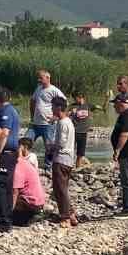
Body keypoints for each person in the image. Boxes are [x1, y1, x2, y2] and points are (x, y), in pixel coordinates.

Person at [0, 86, 22, 230]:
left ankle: (3, 221)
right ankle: (7, 220)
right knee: (6, 186)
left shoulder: (5, 112)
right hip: (11, 154)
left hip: (5, 154)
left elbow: (4, 133)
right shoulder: (13, 110)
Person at [50, 98, 78, 228]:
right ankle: (70, 214)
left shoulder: (62, 122)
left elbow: (61, 143)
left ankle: (65, 216)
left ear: (59, 108)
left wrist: (50, 147)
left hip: (61, 159)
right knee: (63, 188)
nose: (51, 109)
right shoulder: (68, 122)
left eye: (53, 107)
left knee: (59, 189)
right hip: (68, 159)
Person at [29, 70, 67, 157]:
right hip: (35, 123)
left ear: (48, 78)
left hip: (48, 124)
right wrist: (32, 116)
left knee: (49, 147)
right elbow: (32, 101)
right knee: (26, 141)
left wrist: (56, 117)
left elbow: (64, 103)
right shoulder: (38, 89)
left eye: (41, 78)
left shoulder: (54, 90)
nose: (38, 80)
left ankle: (48, 167)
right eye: (38, 78)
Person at [11, 150, 47, 226]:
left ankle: (27, 217)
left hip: (30, 204)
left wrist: (9, 211)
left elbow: (15, 191)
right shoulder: (25, 163)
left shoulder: (18, 166)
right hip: (38, 202)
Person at [69, 92, 93, 168]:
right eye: (74, 98)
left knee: (80, 153)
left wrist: (106, 99)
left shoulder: (88, 106)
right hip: (75, 131)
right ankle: (68, 166)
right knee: (70, 150)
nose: (75, 100)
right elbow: (65, 114)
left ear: (80, 97)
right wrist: (71, 113)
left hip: (84, 132)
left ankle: (78, 167)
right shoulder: (72, 106)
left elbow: (102, 108)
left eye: (75, 98)